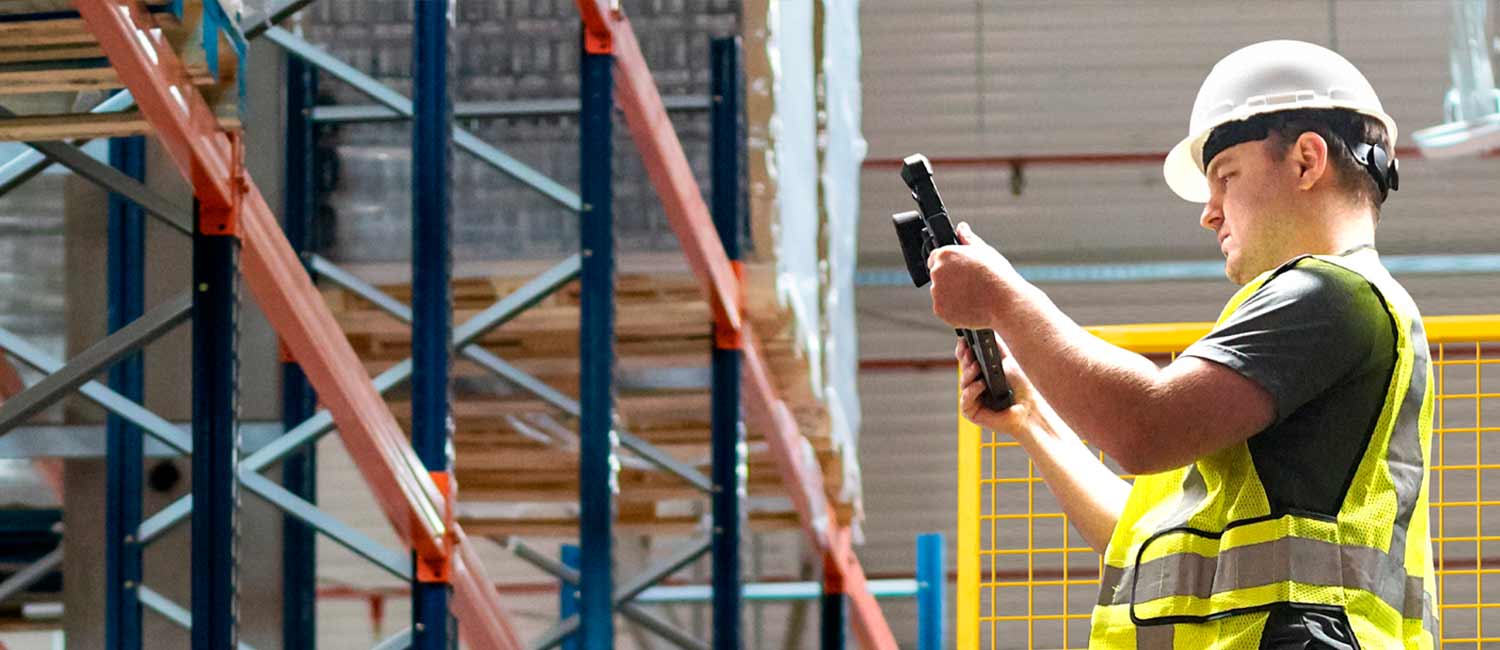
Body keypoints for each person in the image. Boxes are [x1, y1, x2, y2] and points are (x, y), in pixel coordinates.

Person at [928, 40, 1436, 649]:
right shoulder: (1320, 318)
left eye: (1224, 177)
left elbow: (1145, 424)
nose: (1210, 212)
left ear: (1306, 160)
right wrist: (1030, 417)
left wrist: (1005, 300)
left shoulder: (1331, 296)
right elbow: (1145, 535)